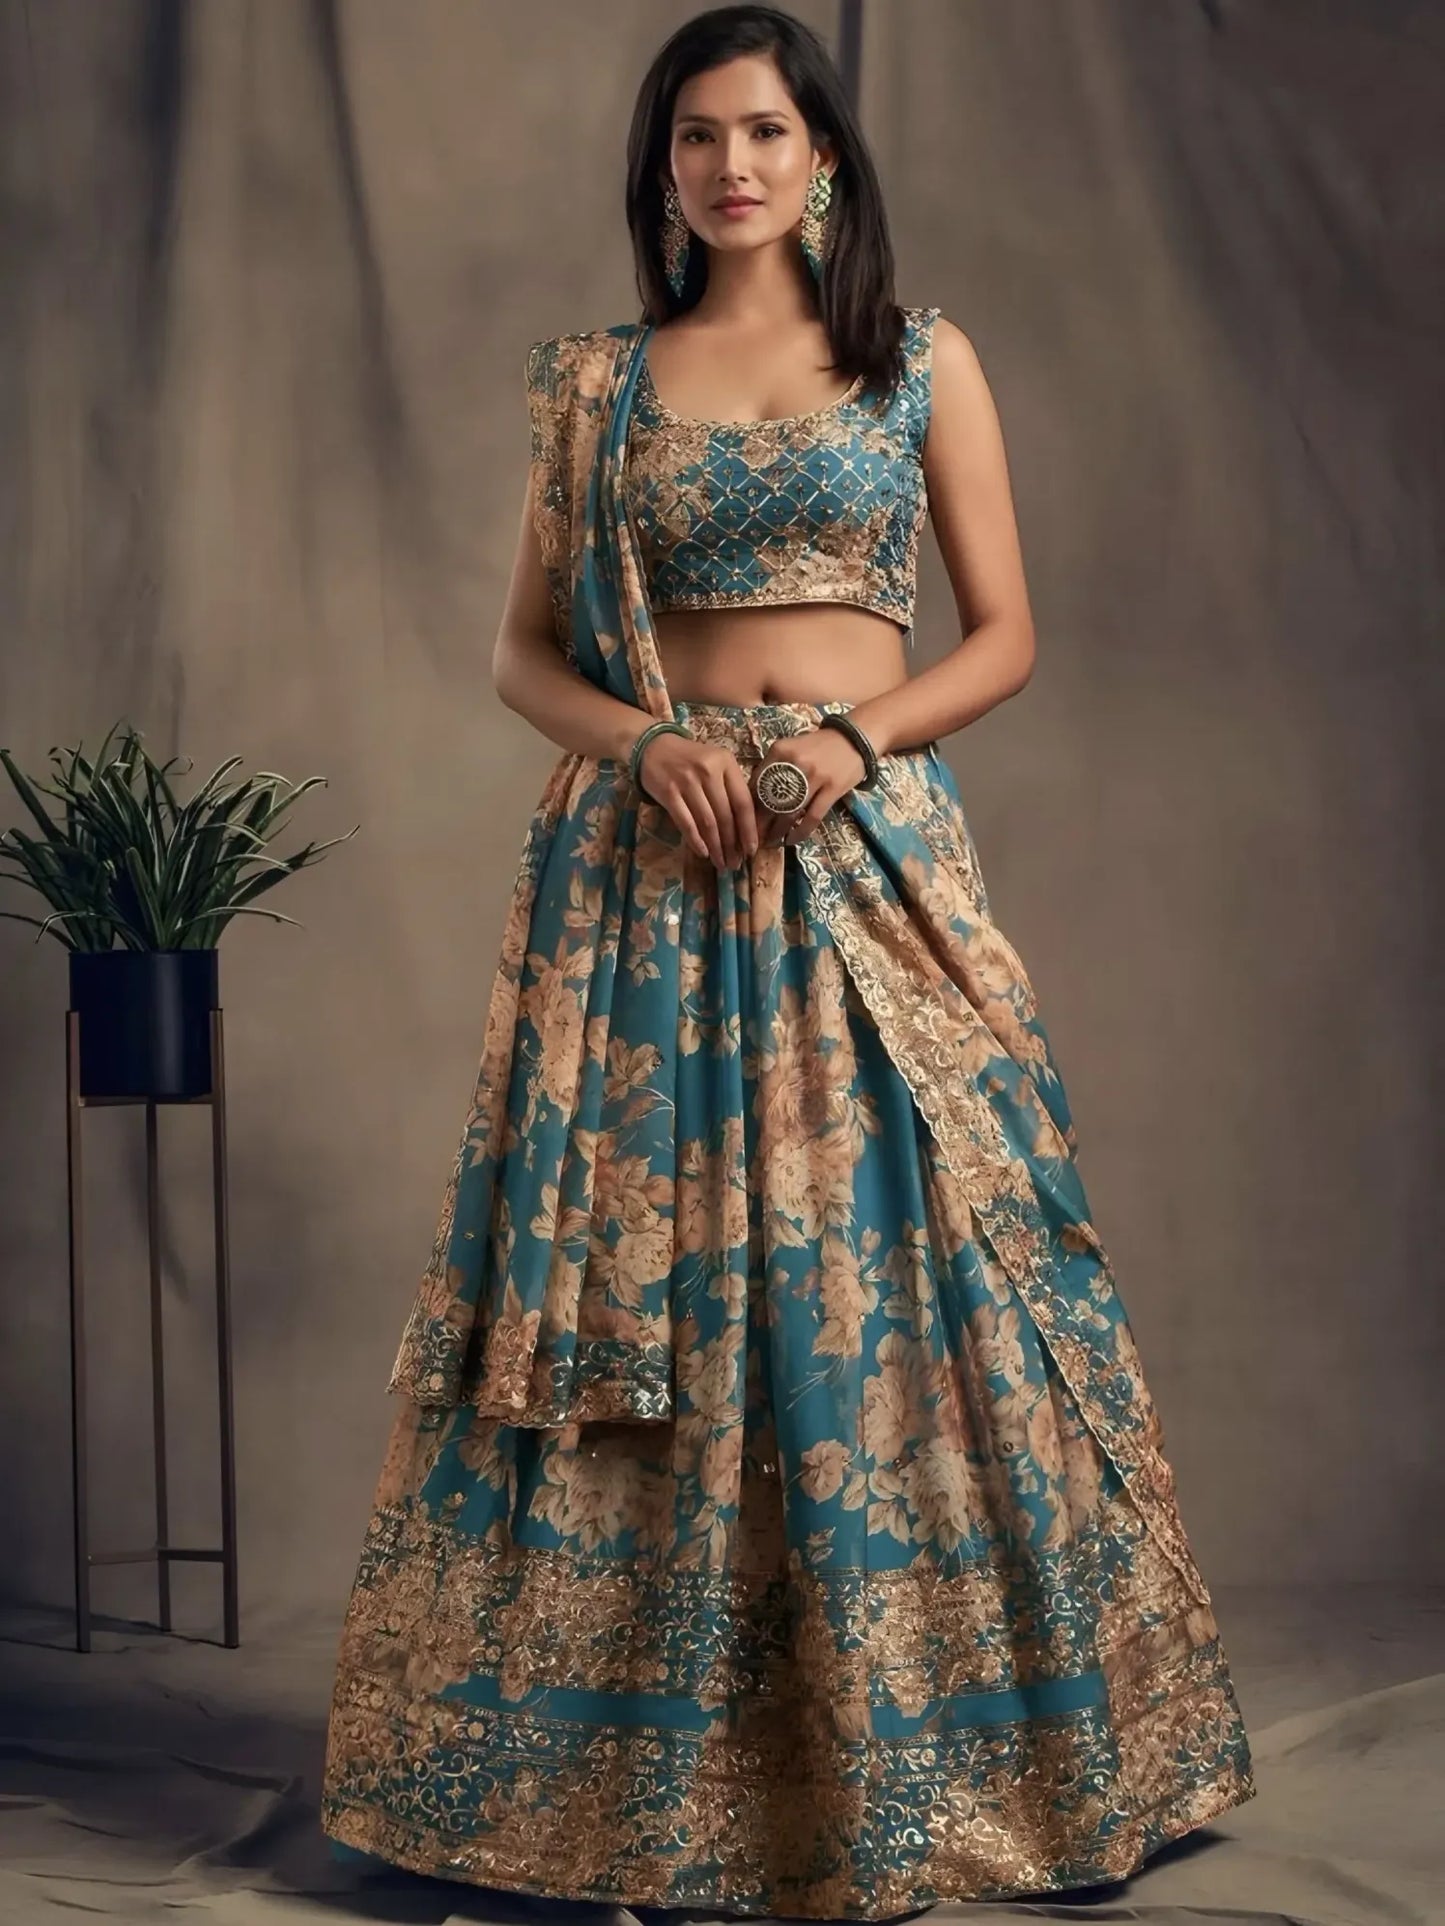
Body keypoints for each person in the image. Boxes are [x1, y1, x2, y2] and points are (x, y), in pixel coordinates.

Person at [319, 5, 1255, 1915]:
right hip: (648, 878)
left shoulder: (917, 363)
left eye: (761, 131)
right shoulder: (594, 383)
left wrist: (846, 745)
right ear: (661, 170)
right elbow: (524, 655)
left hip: (860, 862)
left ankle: (943, 1760)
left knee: (912, 1280)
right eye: (695, 139)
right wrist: (649, 744)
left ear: (823, 157)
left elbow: (998, 636)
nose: (729, 166)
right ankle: (615, 1792)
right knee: (646, 1294)